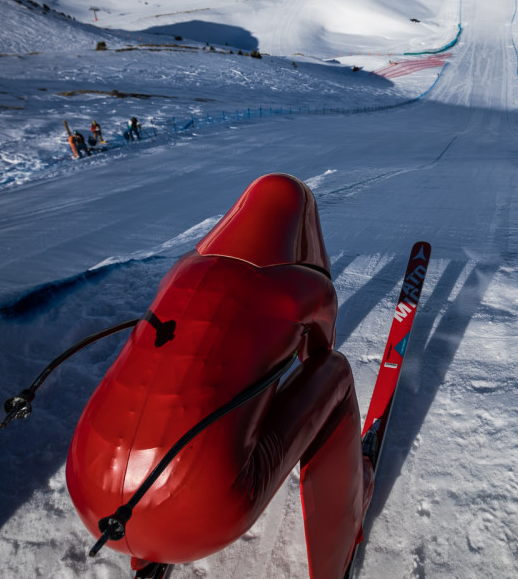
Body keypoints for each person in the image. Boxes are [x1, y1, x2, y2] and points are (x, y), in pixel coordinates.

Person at [66, 175, 373, 579]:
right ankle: (349, 508)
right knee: (337, 374)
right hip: (201, 510)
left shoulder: (182, 270)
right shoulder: (301, 284)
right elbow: (319, 354)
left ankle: (144, 551)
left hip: (88, 484)